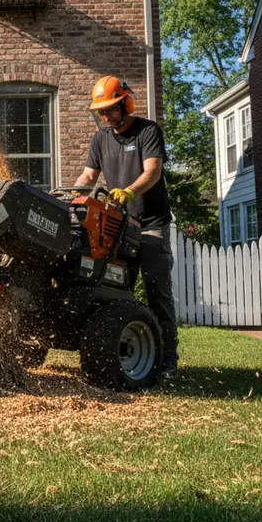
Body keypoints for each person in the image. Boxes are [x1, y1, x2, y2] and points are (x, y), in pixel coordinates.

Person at [74, 76, 179, 378]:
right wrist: (74, 193)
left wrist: (131, 191)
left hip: (149, 224)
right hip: (118, 225)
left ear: (125, 104)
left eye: (110, 109)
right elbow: (88, 176)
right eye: (101, 111)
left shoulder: (147, 131)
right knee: (115, 288)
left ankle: (168, 360)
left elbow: (153, 171)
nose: (105, 116)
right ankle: (123, 352)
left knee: (156, 289)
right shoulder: (100, 140)